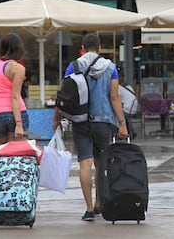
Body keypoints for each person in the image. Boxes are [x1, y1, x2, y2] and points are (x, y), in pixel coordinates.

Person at [53, 33, 128, 221]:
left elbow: (65, 94)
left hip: (80, 120)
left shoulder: (74, 65)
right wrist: (122, 123)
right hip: (103, 121)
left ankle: (87, 209)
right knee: (100, 163)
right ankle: (98, 204)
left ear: (83, 48)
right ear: (100, 48)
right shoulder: (111, 68)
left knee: (84, 163)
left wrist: (56, 118)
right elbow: (114, 97)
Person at [0, 33, 29, 149]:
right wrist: (19, 124)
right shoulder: (18, 68)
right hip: (15, 113)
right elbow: (15, 96)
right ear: (19, 48)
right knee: (16, 155)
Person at [118, 74, 138, 139]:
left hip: (128, 110)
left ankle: (120, 133)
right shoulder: (129, 87)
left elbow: (120, 103)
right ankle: (131, 132)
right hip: (134, 109)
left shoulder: (118, 88)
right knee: (124, 116)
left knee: (117, 114)